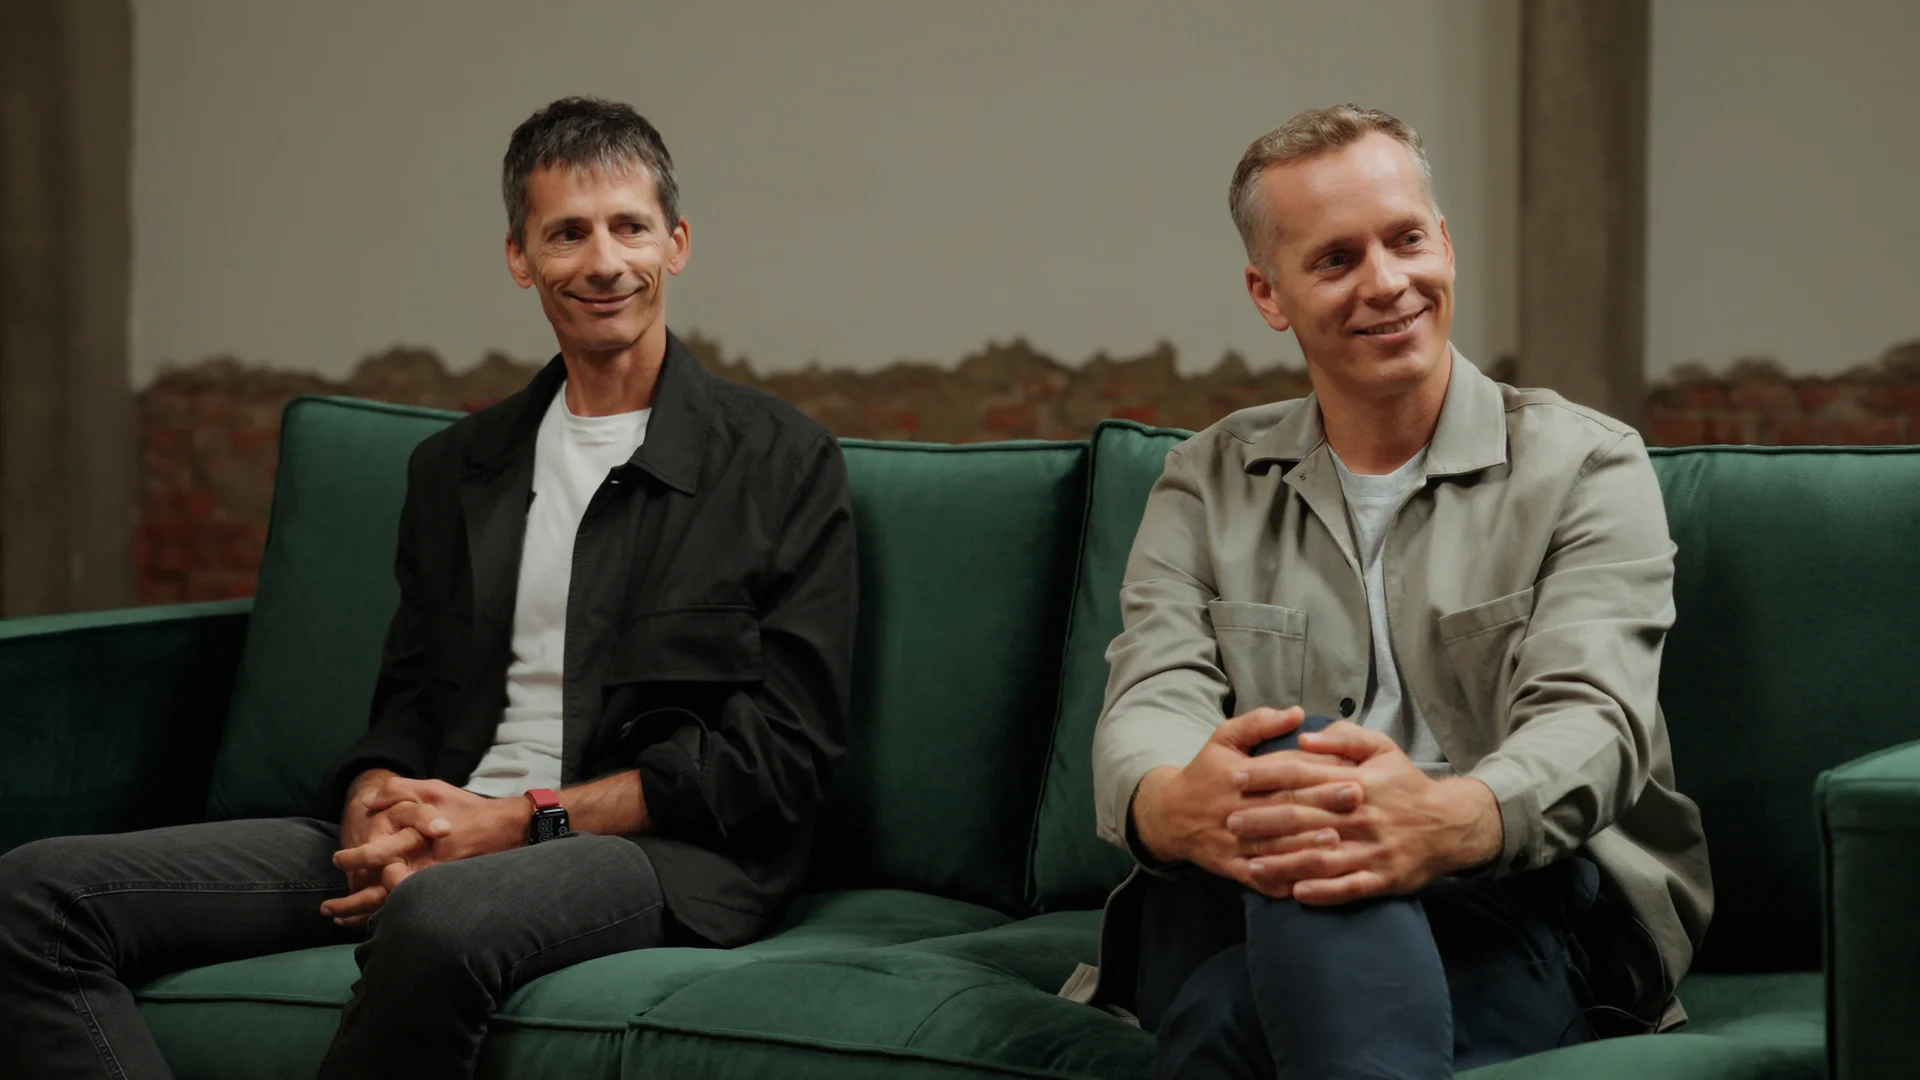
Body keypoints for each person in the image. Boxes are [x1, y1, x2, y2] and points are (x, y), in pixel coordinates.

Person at [0, 97, 857, 1078]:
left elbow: (781, 761)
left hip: (655, 859)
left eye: (629, 226)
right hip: (443, 824)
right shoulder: (458, 468)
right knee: (35, 893)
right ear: (519, 258)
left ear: (678, 241)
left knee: (441, 916)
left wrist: (514, 824)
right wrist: (375, 797)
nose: (604, 262)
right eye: (566, 233)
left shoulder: (780, 462)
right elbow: (410, 698)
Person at [1083, 105, 1712, 1078]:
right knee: (1303, 790)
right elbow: (1148, 707)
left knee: (1221, 1018)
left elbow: (1596, 724)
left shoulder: (1587, 466)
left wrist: (1436, 820)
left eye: (1406, 239)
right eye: (1336, 260)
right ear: (1270, 293)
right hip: (1244, 884)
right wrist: (1175, 801)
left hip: (1513, 894)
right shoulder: (1204, 484)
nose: (1388, 283)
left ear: (1443, 243)